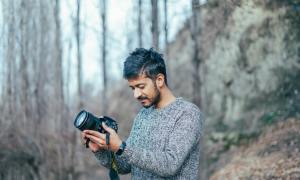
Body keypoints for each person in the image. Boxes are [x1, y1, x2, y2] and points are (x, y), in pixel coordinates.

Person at [82, 48, 204, 179]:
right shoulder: (142, 115)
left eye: (141, 87)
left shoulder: (187, 113)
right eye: (133, 88)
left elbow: (170, 164)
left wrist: (121, 147)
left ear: (160, 80)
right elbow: (125, 165)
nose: (136, 94)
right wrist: (101, 150)